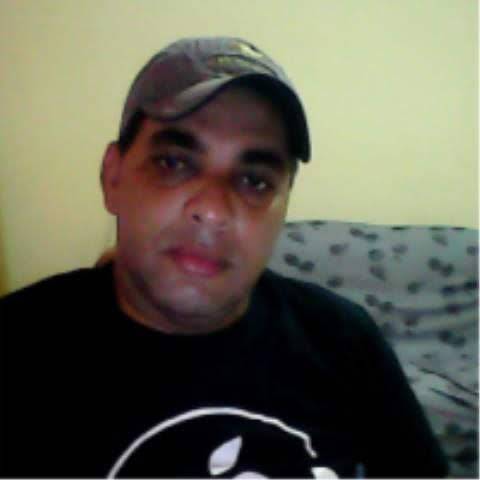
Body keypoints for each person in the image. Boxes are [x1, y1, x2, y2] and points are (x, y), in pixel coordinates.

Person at [0, 37, 447, 478]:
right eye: (173, 163)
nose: (213, 210)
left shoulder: (344, 340)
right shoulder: (17, 347)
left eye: (254, 181)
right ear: (112, 177)